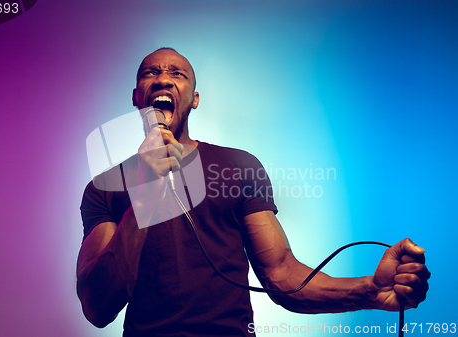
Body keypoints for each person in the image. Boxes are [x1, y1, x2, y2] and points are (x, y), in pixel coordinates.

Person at [77, 48, 430, 337]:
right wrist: (146, 193)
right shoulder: (104, 188)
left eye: (177, 74)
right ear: (137, 96)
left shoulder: (238, 166)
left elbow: (281, 276)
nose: (164, 78)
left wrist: (371, 289)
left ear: (194, 99)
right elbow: (97, 307)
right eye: (150, 73)